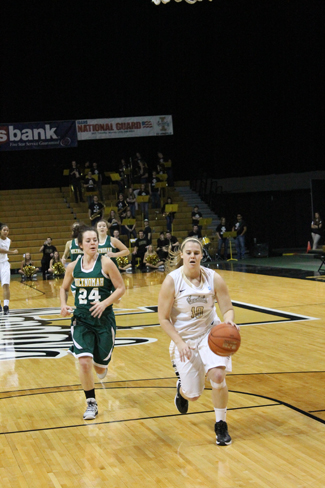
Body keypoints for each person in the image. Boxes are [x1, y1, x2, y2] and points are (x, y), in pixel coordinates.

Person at [158, 237, 238, 446]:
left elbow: (227, 308)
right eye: (189, 253)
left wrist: (229, 323)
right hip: (185, 339)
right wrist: (180, 343)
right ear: (182, 255)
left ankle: (221, 424)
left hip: (210, 334)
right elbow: (163, 319)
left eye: (196, 253)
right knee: (193, 395)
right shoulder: (172, 280)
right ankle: (181, 391)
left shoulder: (214, 278)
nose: (192, 256)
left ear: (201, 255)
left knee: (218, 376)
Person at [60, 226, 125, 420]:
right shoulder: (73, 267)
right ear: (80, 245)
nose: (93, 243)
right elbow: (63, 288)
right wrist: (63, 305)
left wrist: (105, 303)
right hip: (81, 320)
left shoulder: (106, 263)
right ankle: (91, 403)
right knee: (84, 362)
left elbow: (121, 288)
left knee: (99, 367)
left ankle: (102, 366)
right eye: (88, 241)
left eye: (95, 240)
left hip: (104, 320)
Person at [0, 224, 18, 315]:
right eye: (4, 230)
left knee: (6, 285)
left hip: (4, 264)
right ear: (0, 231)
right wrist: (12, 252)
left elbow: (4, 254)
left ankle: (6, 306)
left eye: (7, 230)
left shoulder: (9, 241)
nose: (6, 232)